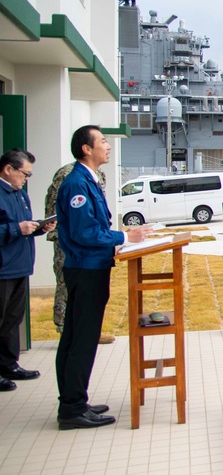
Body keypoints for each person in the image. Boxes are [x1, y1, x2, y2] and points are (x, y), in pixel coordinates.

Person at [54, 126, 151, 429]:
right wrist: (125, 235)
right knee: (81, 339)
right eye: (103, 141)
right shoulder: (77, 184)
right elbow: (85, 232)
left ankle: (75, 399)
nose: (108, 146)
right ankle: (72, 409)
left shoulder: (88, 181)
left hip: (90, 266)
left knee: (75, 337)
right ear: (86, 149)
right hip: (86, 269)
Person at [0, 149, 56, 392]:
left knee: (13, 320)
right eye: (25, 174)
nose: (26, 179)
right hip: (3, 268)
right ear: (8, 169)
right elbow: (12, 228)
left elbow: (23, 226)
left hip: (20, 266)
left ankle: (9, 364)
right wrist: (17, 229)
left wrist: (39, 228)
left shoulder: (20, 194)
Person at [45, 162, 115, 344]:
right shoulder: (69, 176)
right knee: (66, 287)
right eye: (102, 141)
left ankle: (90, 330)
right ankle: (66, 331)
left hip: (93, 240)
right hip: (70, 241)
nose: (107, 147)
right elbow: (57, 207)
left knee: (89, 294)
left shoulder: (98, 174)